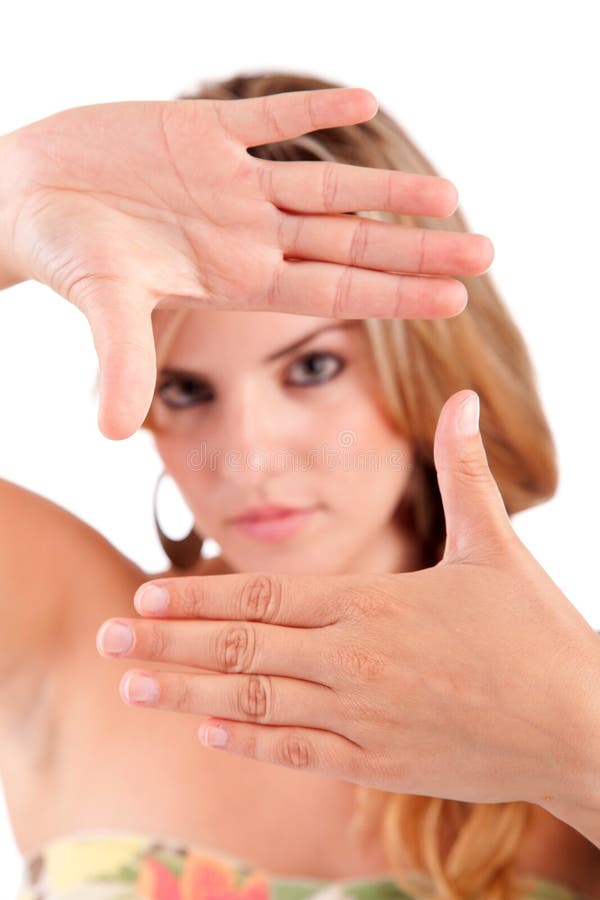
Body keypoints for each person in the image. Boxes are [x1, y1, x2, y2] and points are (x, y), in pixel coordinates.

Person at [1, 70, 597, 900]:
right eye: (187, 390)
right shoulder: (71, 638)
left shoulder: (572, 703)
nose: (248, 459)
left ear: (427, 367)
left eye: (313, 367)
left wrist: (578, 739)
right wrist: (11, 201)